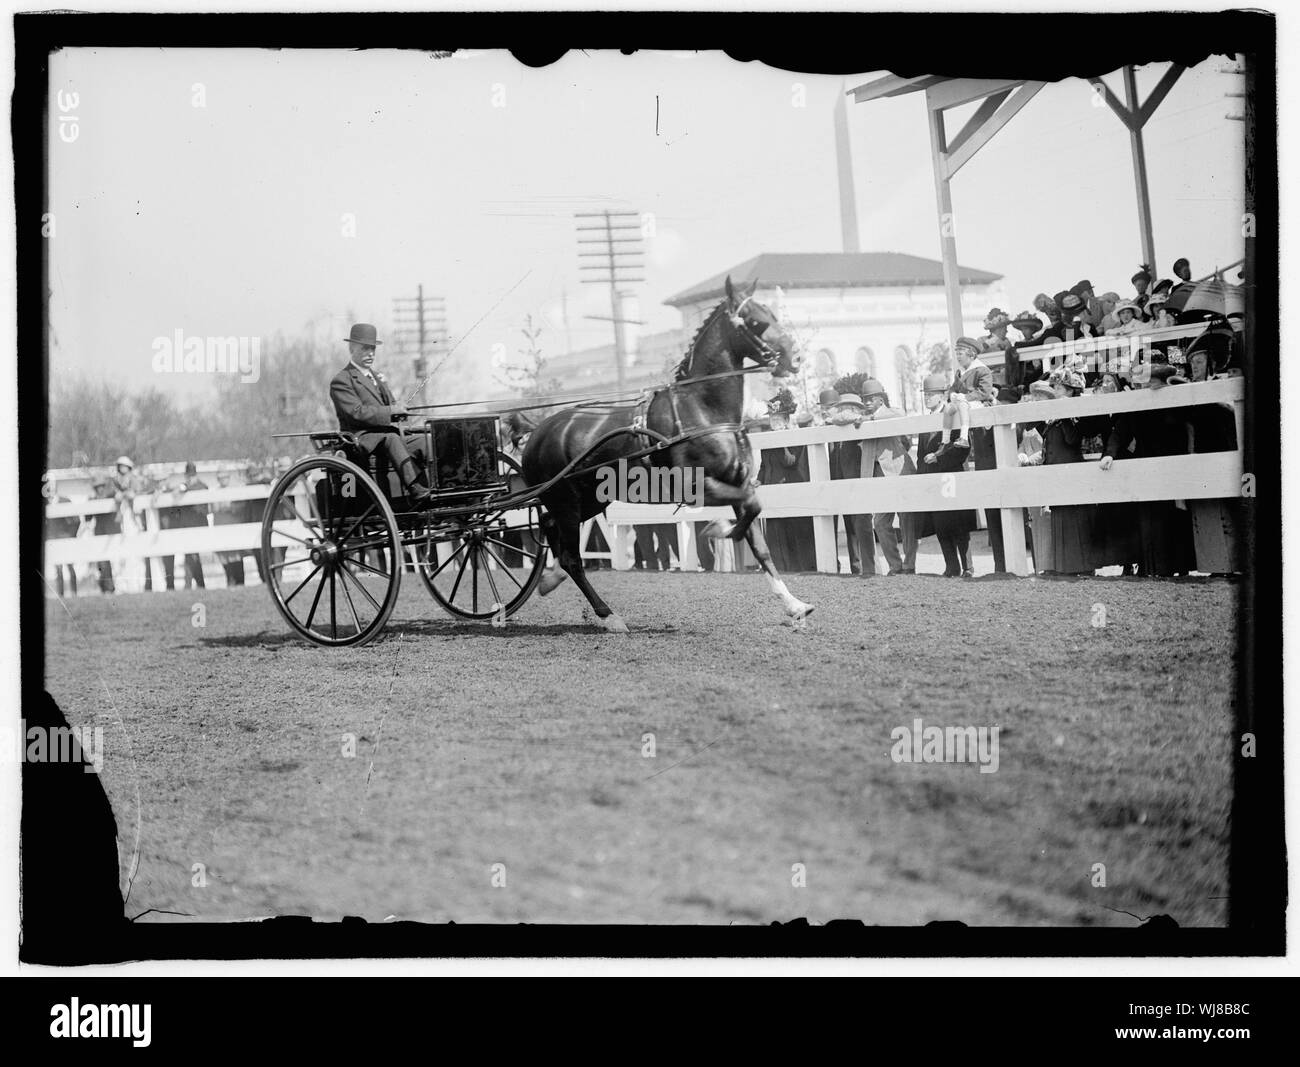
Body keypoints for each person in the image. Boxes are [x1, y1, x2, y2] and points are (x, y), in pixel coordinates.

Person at [1100, 364, 1196, 576]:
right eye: (1143, 384)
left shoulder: (1174, 403)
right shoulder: (1136, 405)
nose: (1146, 388)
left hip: (1172, 468)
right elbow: (1119, 433)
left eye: (1152, 383)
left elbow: (1186, 432)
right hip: (1144, 468)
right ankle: (1151, 567)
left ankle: (1179, 567)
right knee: (1148, 518)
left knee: (1173, 516)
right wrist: (1109, 454)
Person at [330, 322, 433, 505]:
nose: (370, 353)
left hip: (385, 436)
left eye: (373, 349)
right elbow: (357, 413)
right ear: (352, 348)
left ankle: (438, 486)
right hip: (361, 439)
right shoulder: (342, 380)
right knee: (392, 439)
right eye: (365, 348)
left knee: (426, 440)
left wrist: (399, 409)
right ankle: (416, 489)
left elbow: (390, 406)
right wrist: (391, 411)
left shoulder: (377, 378)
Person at [1029, 371, 1098, 575]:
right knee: (1060, 518)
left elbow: (1072, 439)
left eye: (1059, 388)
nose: (1055, 391)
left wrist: (1064, 413)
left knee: (1076, 520)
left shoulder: (1073, 413)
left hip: (1071, 471)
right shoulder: (1053, 416)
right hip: (1056, 473)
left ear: (1070, 391)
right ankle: (1065, 566)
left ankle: (1084, 567)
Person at [857, 380, 918, 576]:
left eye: (871, 398)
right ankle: (895, 565)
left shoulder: (889, 413)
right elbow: (840, 419)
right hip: (877, 475)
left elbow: (900, 414)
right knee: (880, 522)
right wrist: (864, 418)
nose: (867, 402)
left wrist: (872, 417)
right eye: (865, 399)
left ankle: (909, 565)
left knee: (907, 519)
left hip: (898, 471)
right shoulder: (861, 418)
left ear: (881, 400)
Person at [918, 373, 976, 577]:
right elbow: (921, 454)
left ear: (942, 395)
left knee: (959, 524)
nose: (927, 398)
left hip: (952, 475)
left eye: (932, 394)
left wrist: (939, 459)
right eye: (926, 394)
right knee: (941, 525)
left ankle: (967, 567)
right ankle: (951, 566)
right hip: (933, 479)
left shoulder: (953, 412)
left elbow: (963, 448)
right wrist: (922, 478)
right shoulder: (924, 421)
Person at [825, 390, 875, 575]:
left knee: (860, 524)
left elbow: (845, 418)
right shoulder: (836, 427)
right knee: (848, 524)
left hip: (856, 480)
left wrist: (847, 416)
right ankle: (855, 566)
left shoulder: (859, 423)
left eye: (848, 408)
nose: (843, 411)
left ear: (855, 409)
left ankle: (865, 566)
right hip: (839, 481)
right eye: (842, 407)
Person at [159, 461, 209, 590]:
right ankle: (193, 584)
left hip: (197, 526)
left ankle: (198, 584)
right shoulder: (184, 487)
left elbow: (199, 495)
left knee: (193, 556)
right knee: (190, 555)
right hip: (187, 526)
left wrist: (184, 488)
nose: (190, 478)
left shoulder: (200, 486)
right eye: (188, 475)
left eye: (192, 475)